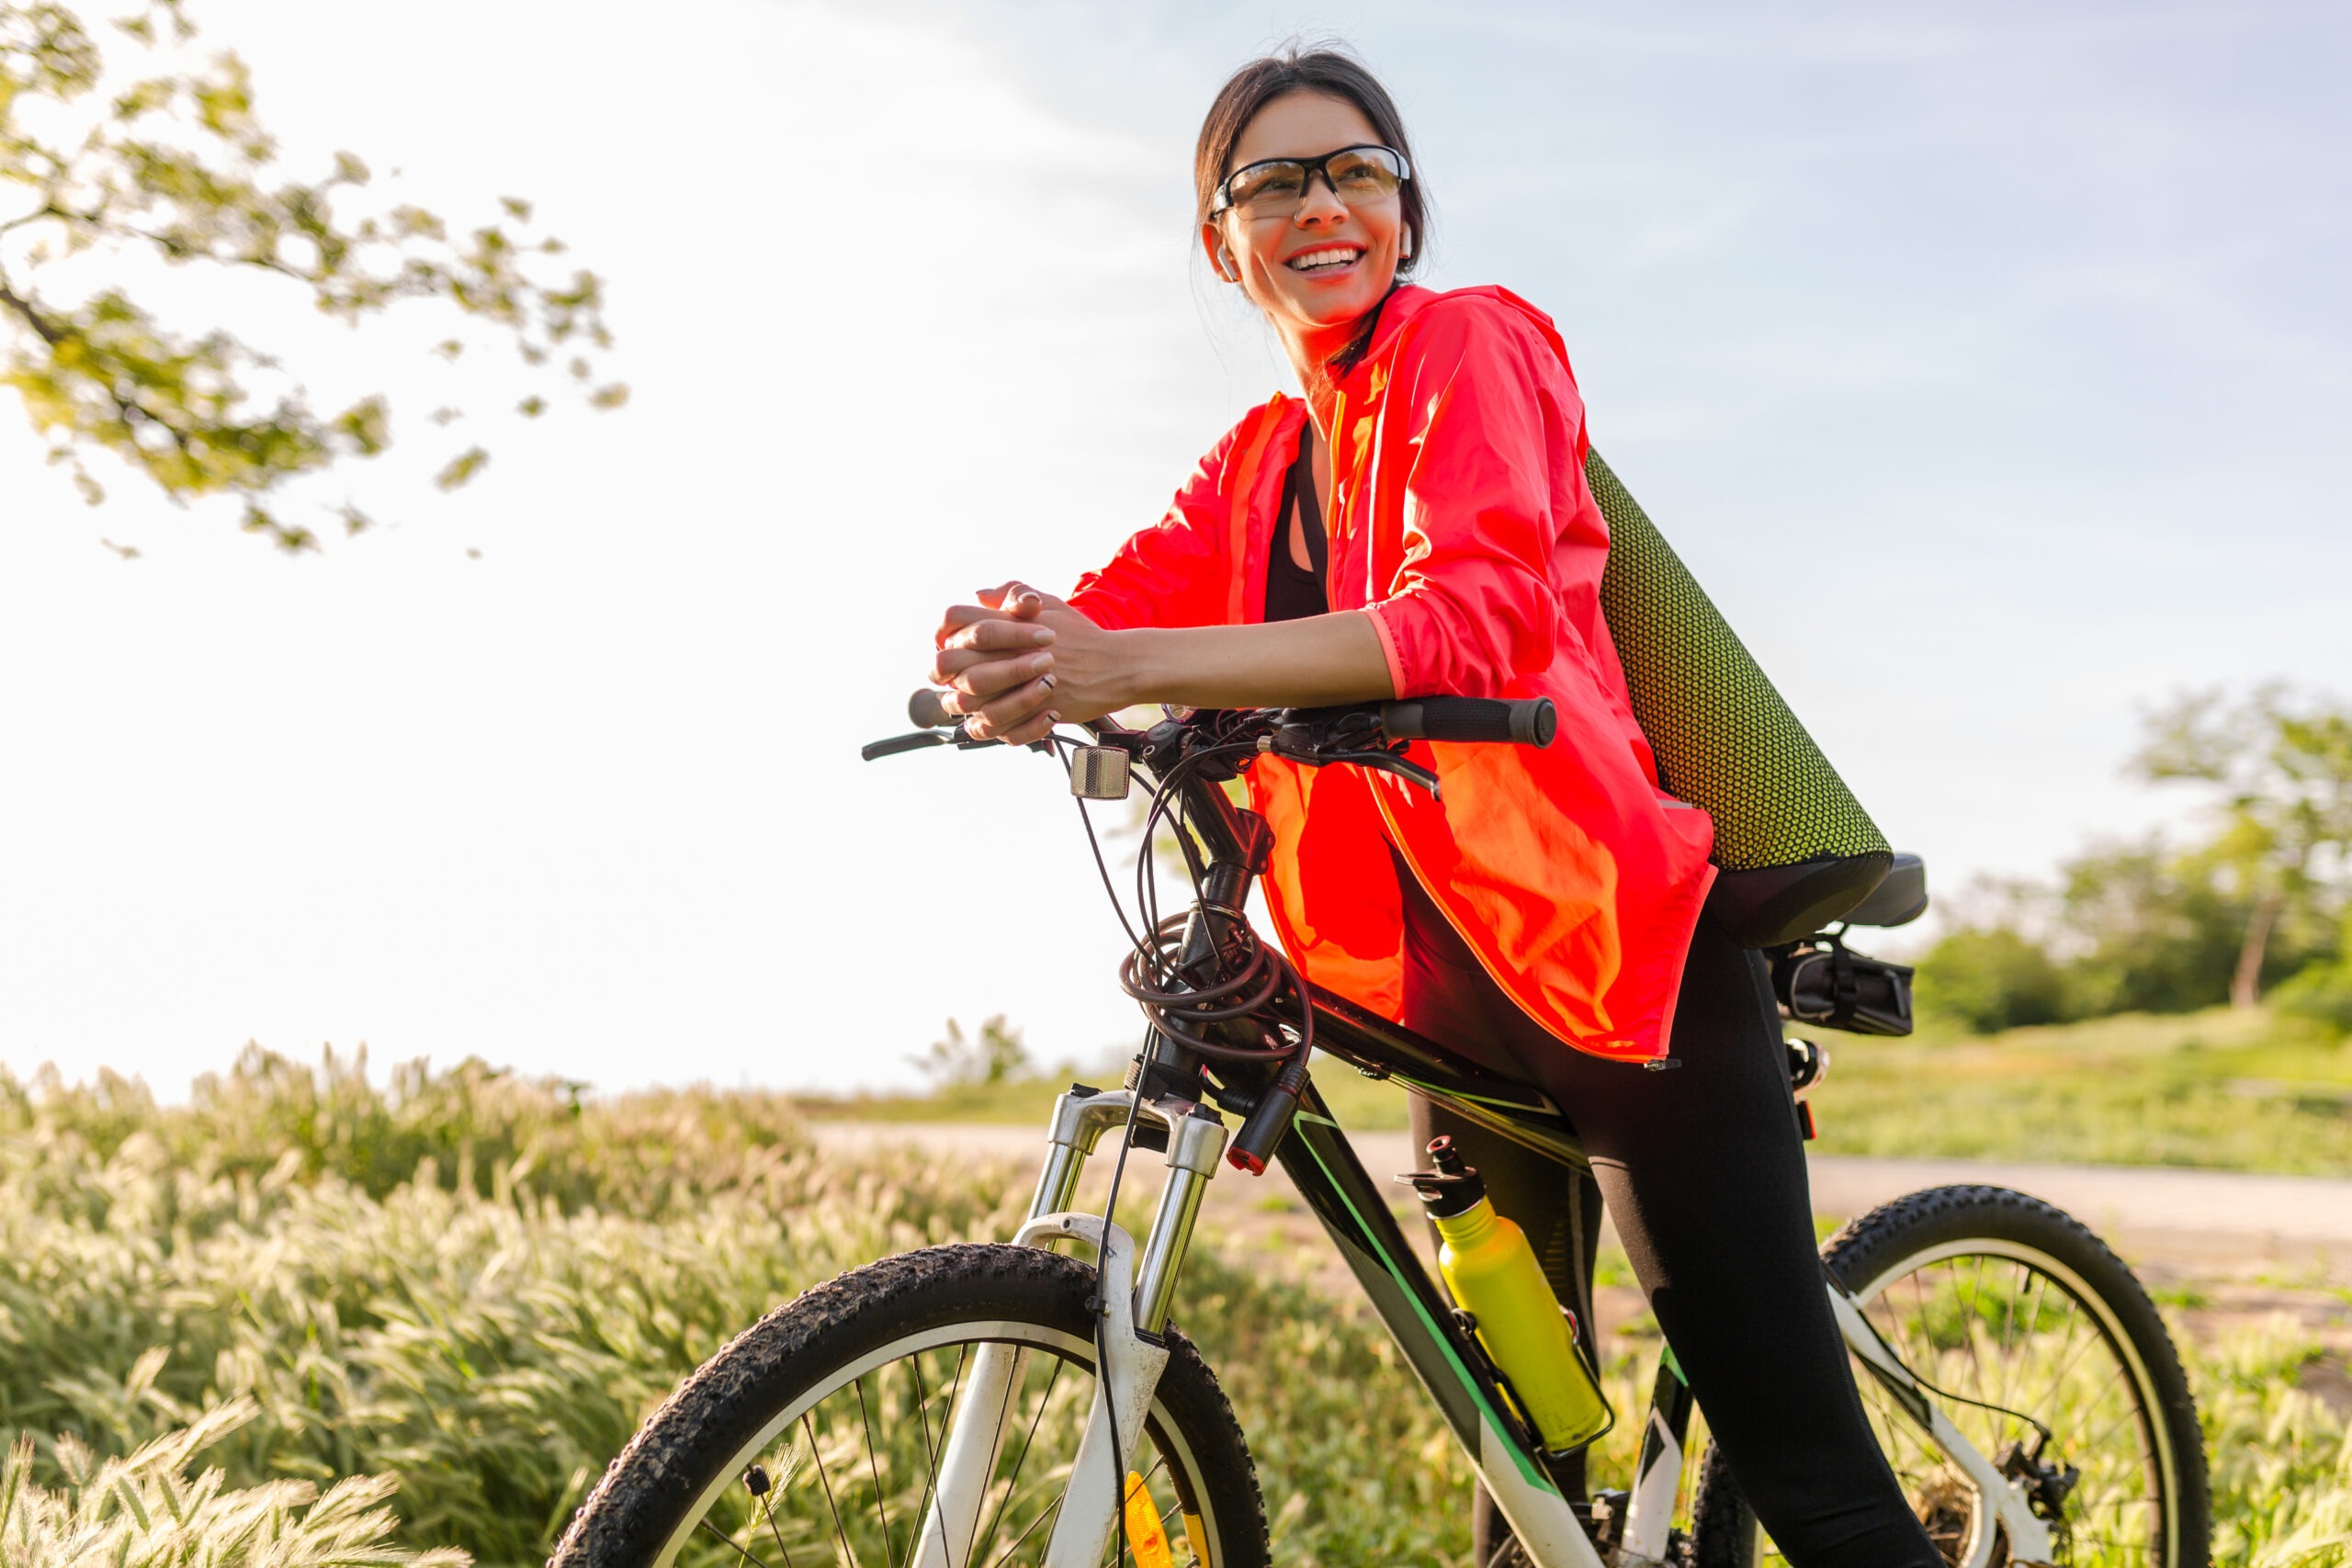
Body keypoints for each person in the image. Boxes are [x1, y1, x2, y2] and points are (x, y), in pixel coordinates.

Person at [926, 45, 1941, 1568]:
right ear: (1222, 237)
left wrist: (1113, 659)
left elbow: (1471, 619)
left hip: (1620, 985)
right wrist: (1002, 654)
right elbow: (1117, 615)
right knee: (1526, 1492)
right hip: (1429, 1006)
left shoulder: (1475, 347)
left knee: (1822, 1498)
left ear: (1404, 207)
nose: (1322, 204)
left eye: (1358, 171)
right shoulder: (1262, 459)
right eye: (1274, 180)